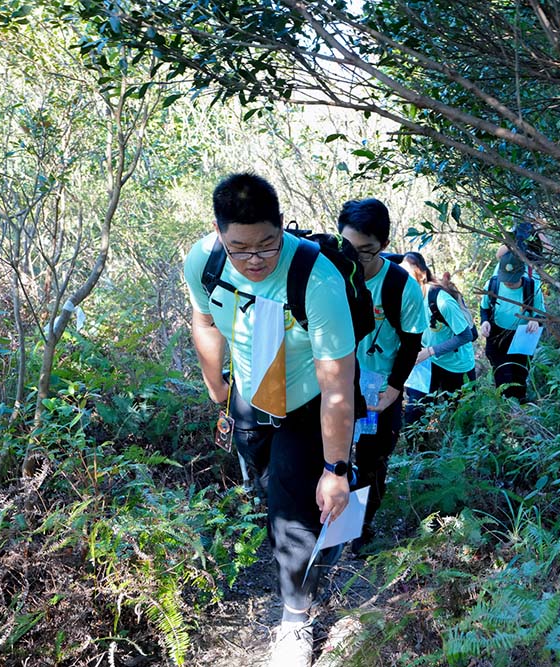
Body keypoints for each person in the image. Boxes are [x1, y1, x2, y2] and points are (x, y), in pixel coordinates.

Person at [183, 173, 355, 667]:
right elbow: (204, 320)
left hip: (306, 401)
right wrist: (218, 386)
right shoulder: (205, 262)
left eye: (267, 245)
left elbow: (338, 385)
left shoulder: (316, 279)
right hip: (250, 397)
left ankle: (294, 622)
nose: (254, 260)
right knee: (263, 480)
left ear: (284, 228)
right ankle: (288, 516)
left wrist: (336, 468)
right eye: (240, 248)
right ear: (219, 235)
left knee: (291, 507)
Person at [337, 198, 427, 555]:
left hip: (380, 387)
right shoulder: (331, 274)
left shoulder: (400, 286)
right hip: (337, 383)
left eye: (367, 251)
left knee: (372, 460)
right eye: (349, 248)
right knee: (333, 456)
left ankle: (360, 529)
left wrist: (393, 389)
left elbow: (410, 342)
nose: (356, 259)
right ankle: (333, 525)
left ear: (384, 246)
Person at [400, 251, 477, 431]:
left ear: (422, 275)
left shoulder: (441, 300)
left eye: (409, 276)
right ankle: (419, 449)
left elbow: (466, 336)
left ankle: (459, 450)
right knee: (417, 410)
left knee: (461, 415)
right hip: (429, 362)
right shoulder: (408, 298)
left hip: (456, 365)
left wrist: (430, 351)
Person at [479, 251, 545, 401]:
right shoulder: (493, 284)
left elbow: (541, 312)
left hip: (522, 335)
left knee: (518, 372)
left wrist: (535, 320)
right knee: (501, 371)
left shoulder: (532, 286)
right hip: (497, 334)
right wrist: (485, 321)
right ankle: (503, 404)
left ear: (522, 274)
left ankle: (519, 404)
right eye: (506, 279)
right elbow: (484, 308)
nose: (508, 282)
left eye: (513, 280)